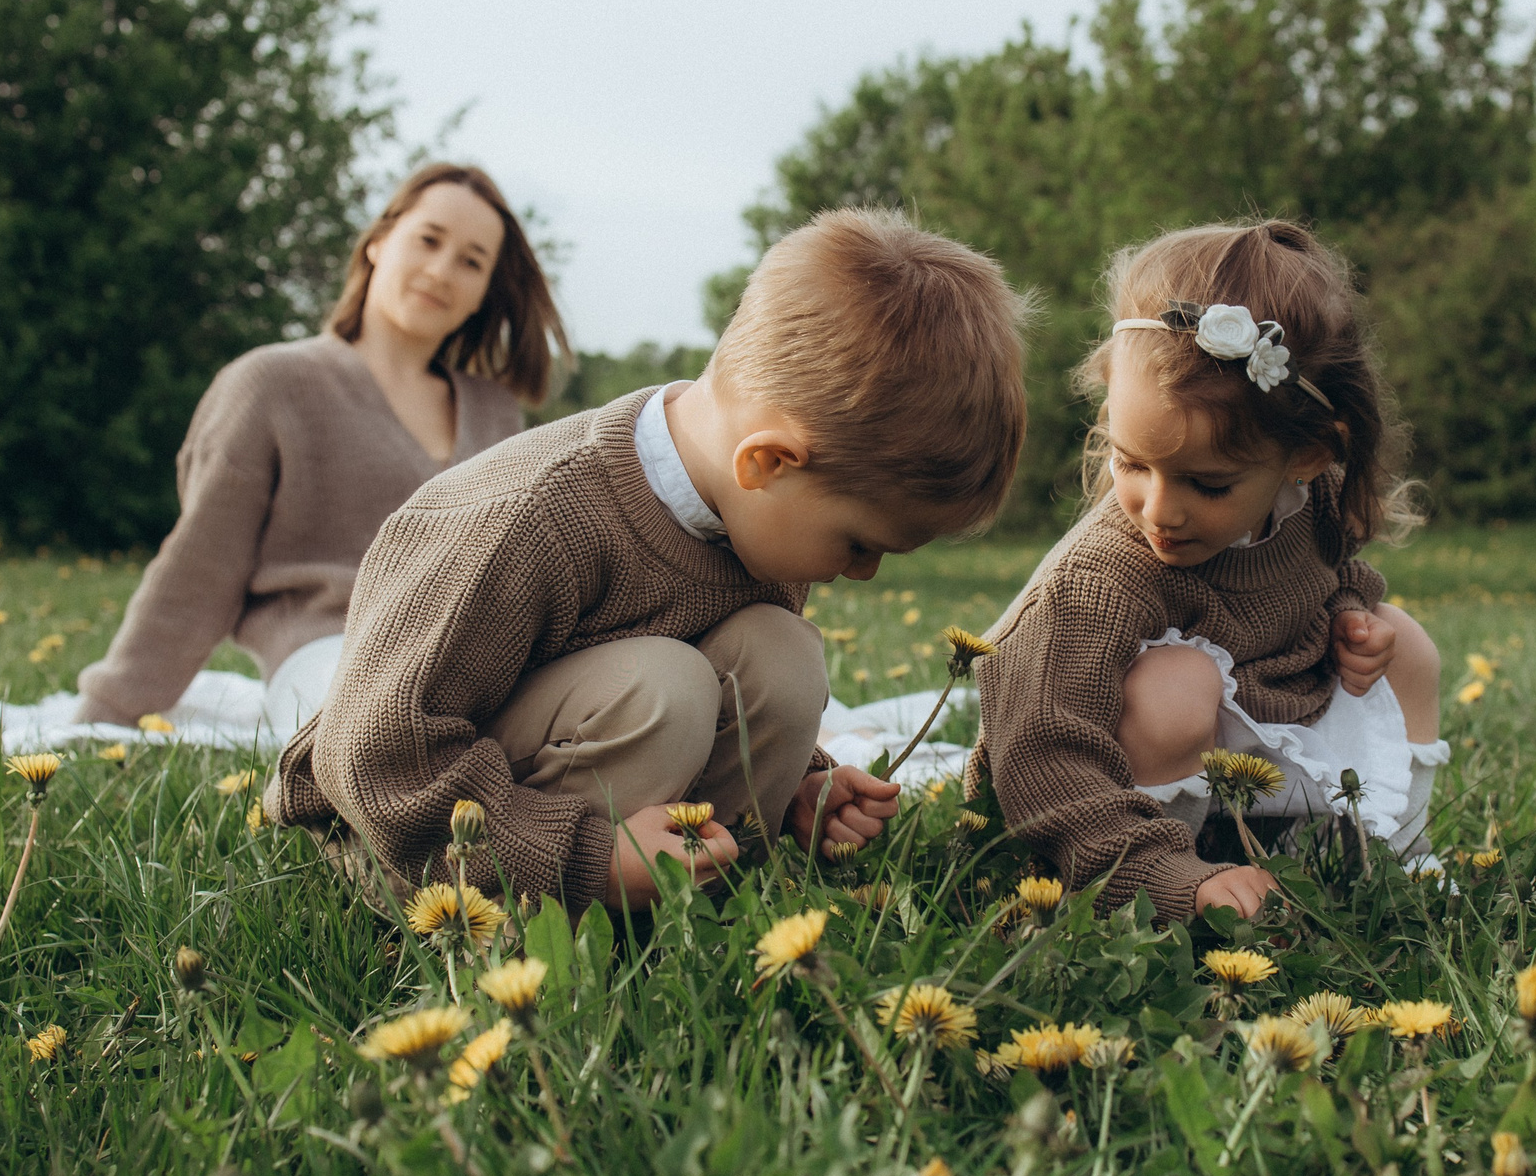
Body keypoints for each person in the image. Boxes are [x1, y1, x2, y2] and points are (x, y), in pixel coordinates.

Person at [265, 210, 1033, 913]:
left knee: (783, 652)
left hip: (564, 781)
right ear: (767, 461)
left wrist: (804, 783)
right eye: (859, 544)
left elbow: (729, 680)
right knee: (665, 686)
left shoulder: (757, 517)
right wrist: (587, 862)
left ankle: (701, 906)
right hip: (407, 841)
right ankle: (570, 917)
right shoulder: (526, 519)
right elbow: (376, 756)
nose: (862, 572)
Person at [971, 219, 1445, 926]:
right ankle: (1163, 885)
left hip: (1256, 730)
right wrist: (1162, 874)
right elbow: (1042, 745)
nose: (1160, 511)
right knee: (1177, 685)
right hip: (1078, 799)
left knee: (1406, 643)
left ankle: (1386, 857)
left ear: (1307, 457)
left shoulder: (1308, 500)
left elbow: (1325, 570)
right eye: (1130, 462)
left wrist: (1349, 614)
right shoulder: (1097, 579)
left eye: (1209, 484)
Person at [72, 163, 565, 737]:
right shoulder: (273, 383)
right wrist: (107, 712)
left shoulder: (497, 413)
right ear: (378, 242)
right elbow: (202, 565)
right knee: (387, 737)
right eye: (428, 240)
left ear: (485, 293)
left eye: (471, 261)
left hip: (483, 664)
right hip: (334, 655)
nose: (441, 271)